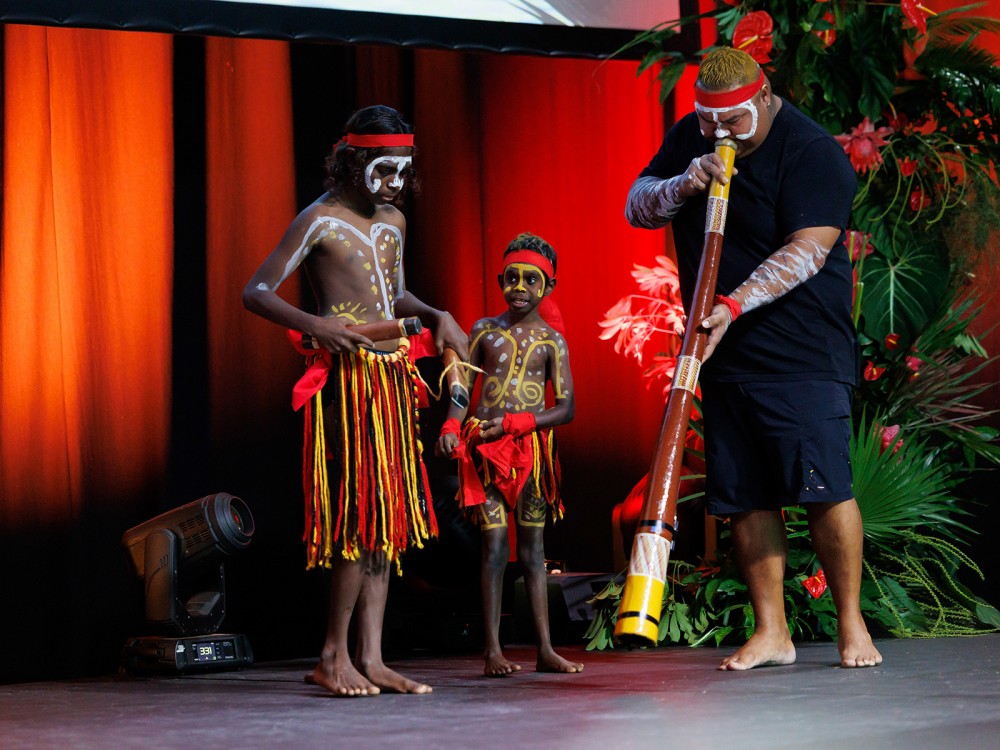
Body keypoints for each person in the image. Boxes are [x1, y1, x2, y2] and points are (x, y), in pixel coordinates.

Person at [625, 47, 883, 671]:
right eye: (710, 121)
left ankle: (853, 624)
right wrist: (686, 179)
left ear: (765, 97)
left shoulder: (812, 150)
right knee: (745, 495)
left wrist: (733, 305)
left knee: (824, 488)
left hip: (802, 349)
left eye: (735, 122)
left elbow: (808, 251)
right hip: (721, 348)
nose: (721, 135)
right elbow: (636, 205)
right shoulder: (697, 133)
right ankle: (773, 632)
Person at [243, 105, 468, 696]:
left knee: (388, 520)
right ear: (353, 163)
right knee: (358, 515)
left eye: (404, 172)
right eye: (385, 170)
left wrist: (436, 313)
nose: (396, 185)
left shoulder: (393, 219)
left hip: (392, 381)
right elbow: (257, 291)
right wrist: (317, 326)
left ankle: (372, 656)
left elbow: (394, 295)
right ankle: (331, 654)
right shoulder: (318, 220)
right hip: (345, 383)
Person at [435, 232, 583, 677]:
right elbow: (463, 386)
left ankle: (544, 649)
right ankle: (493, 651)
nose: (520, 288)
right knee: (495, 546)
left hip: (531, 453)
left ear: (547, 287)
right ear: (501, 279)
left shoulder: (552, 342)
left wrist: (521, 423)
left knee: (534, 550)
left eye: (531, 280)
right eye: (512, 278)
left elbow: (566, 408)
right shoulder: (484, 330)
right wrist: (450, 423)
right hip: (485, 451)